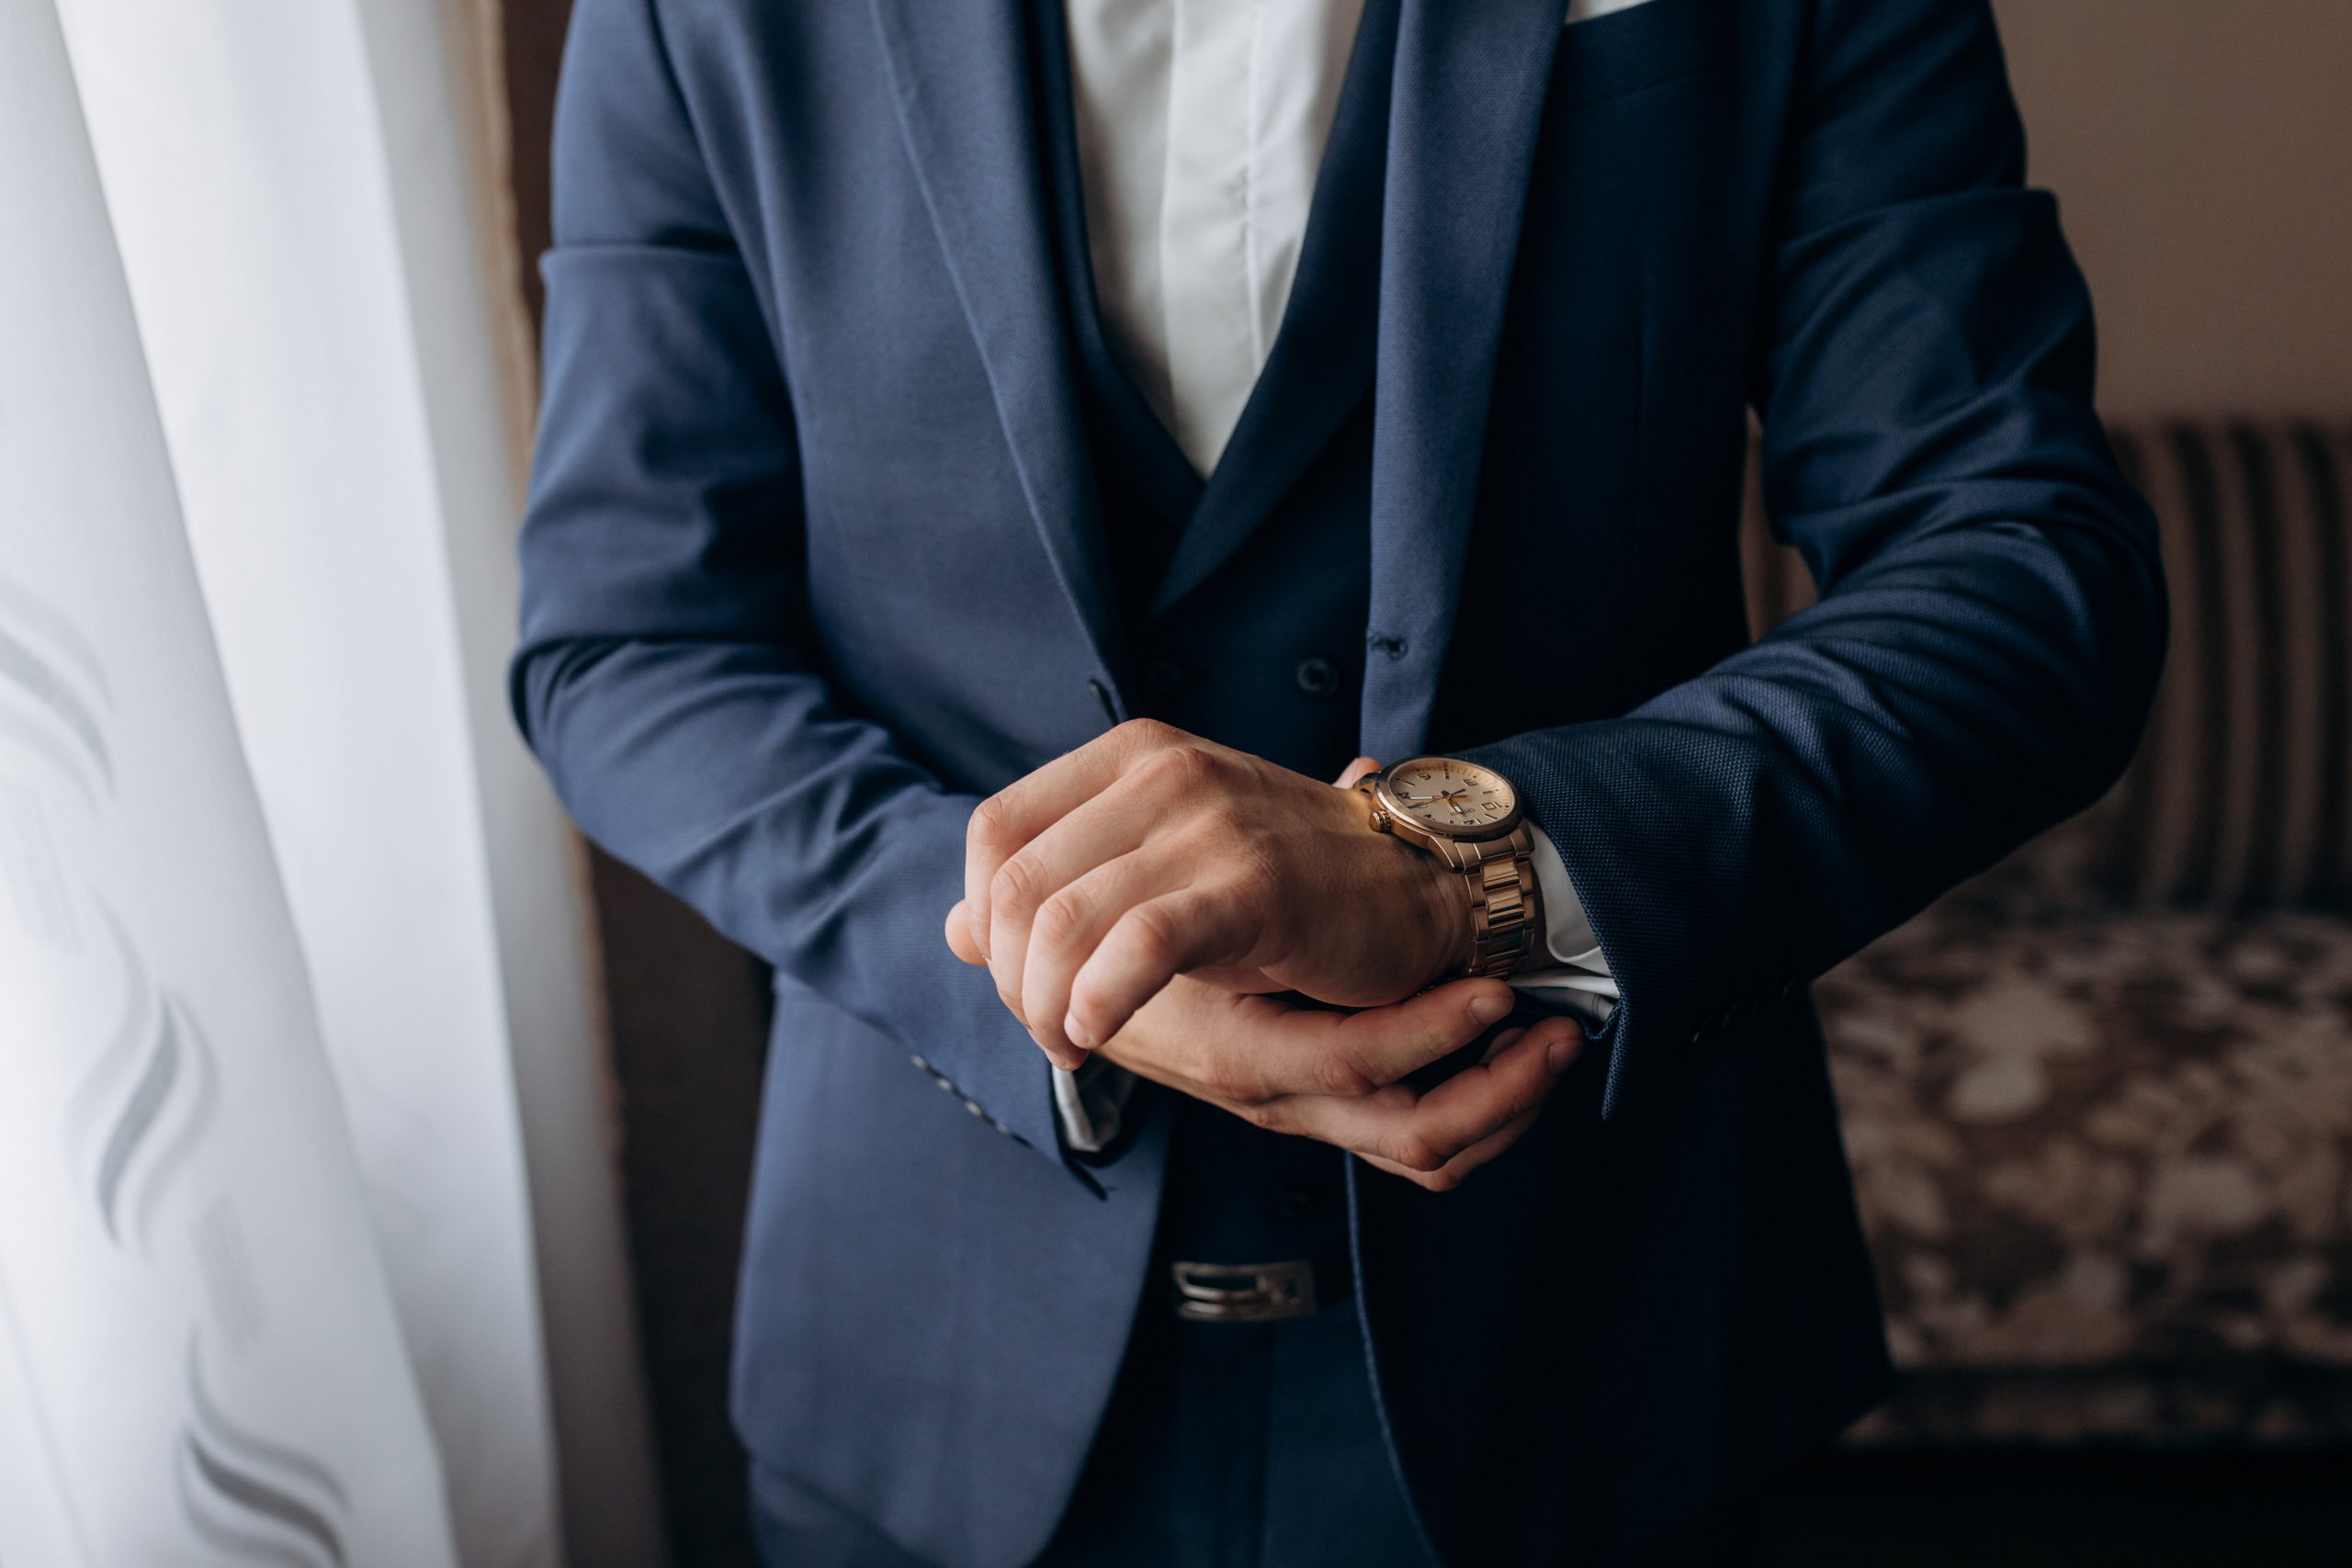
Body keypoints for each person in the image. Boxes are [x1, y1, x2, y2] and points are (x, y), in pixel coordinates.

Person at [509, 0, 2165, 1562]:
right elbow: (626, 645)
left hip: (1593, 1356)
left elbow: (2026, 572)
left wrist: (1470, 869)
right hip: (928, 1368)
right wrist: (1025, 943)